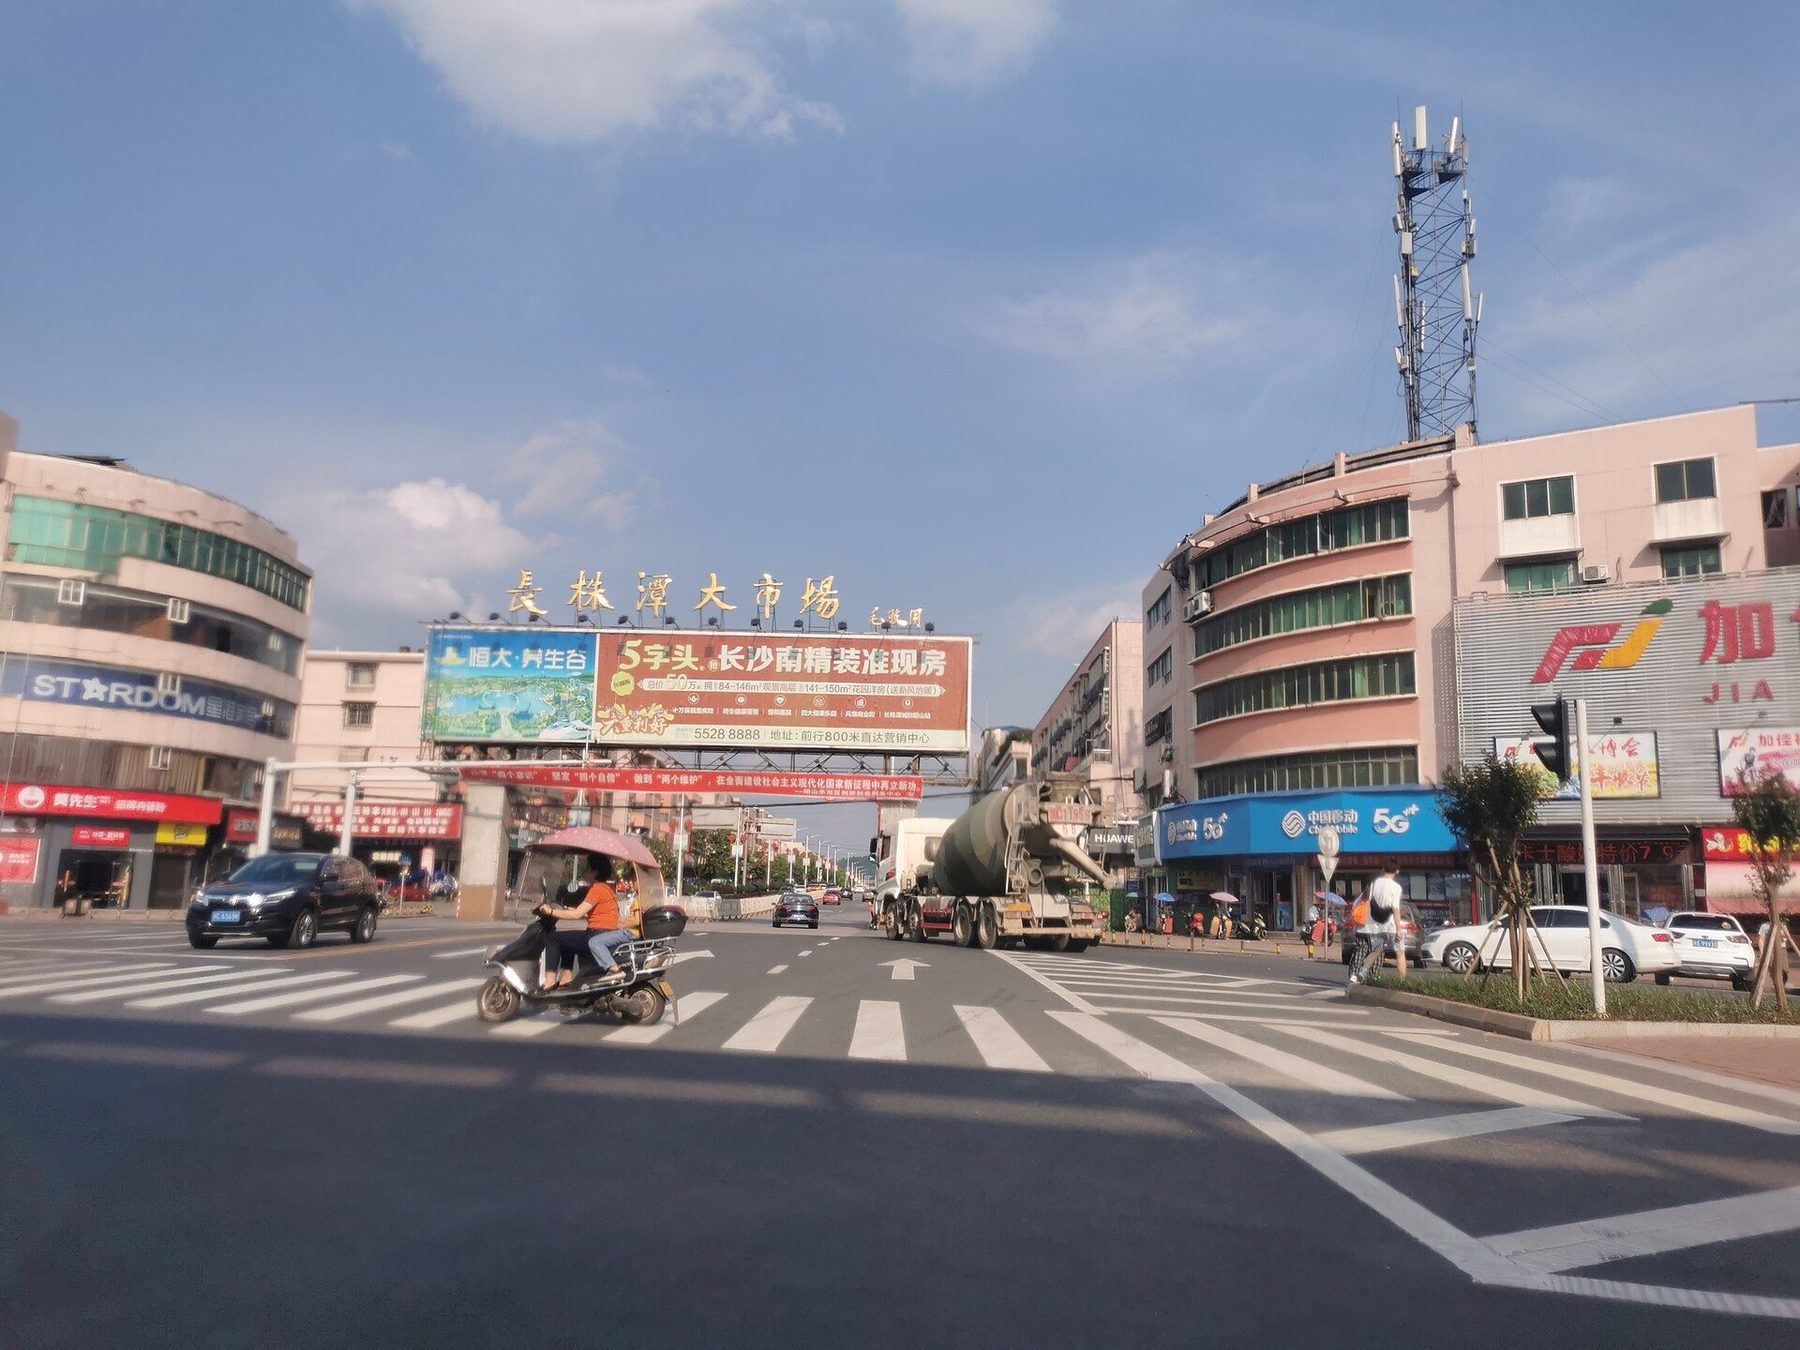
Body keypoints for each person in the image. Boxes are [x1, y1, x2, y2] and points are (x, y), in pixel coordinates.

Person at [538, 855, 631, 991]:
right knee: (567, 939)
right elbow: (593, 913)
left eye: (587, 868)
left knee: (553, 938)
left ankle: (549, 981)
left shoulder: (597, 889)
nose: (585, 871)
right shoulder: (607, 889)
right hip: (605, 932)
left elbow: (576, 915)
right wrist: (569, 909)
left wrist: (550, 911)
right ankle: (566, 976)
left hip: (597, 934)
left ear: (595, 872)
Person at [1350, 861, 1403, 984]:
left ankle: (1359, 973)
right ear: (1397, 871)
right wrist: (1399, 928)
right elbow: (1395, 908)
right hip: (1385, 926)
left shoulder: (1372, 887)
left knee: (1368, 950)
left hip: (1367, 926)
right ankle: (1393, 980)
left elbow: (1360, 905)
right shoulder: (1395, 887)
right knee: (1396, 952)